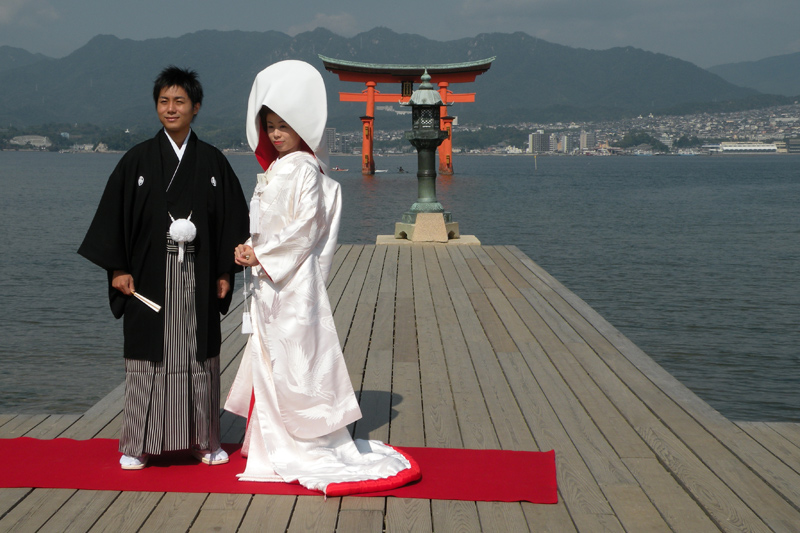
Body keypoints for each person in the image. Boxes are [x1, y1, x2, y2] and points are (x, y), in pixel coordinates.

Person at [224, 60, 420, 495]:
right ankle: (268, 440)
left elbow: (304, 229)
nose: (275, 134)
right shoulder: (276, 169)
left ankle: (301, 440)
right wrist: (248, 247)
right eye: (269, 126)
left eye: (284, 126)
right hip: (269, 279)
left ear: (303, 128)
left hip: (291, 283)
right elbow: (270, 227)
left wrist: (262, 254)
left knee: (294, 361)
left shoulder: (306, 170)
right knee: (270, 358)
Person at [78, 66, 250, 470]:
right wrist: (118, 268)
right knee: (146, 361)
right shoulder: (137, 160)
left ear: (196, 108)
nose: (171, 108)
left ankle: (204, 441)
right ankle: (136, 443)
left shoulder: (212, 162)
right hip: (148, 279)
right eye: (164, 101)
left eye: (180, 102)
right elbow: (112, 219)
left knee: (199, 358)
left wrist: (225, 270)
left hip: (200, 274)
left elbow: (231, 221)